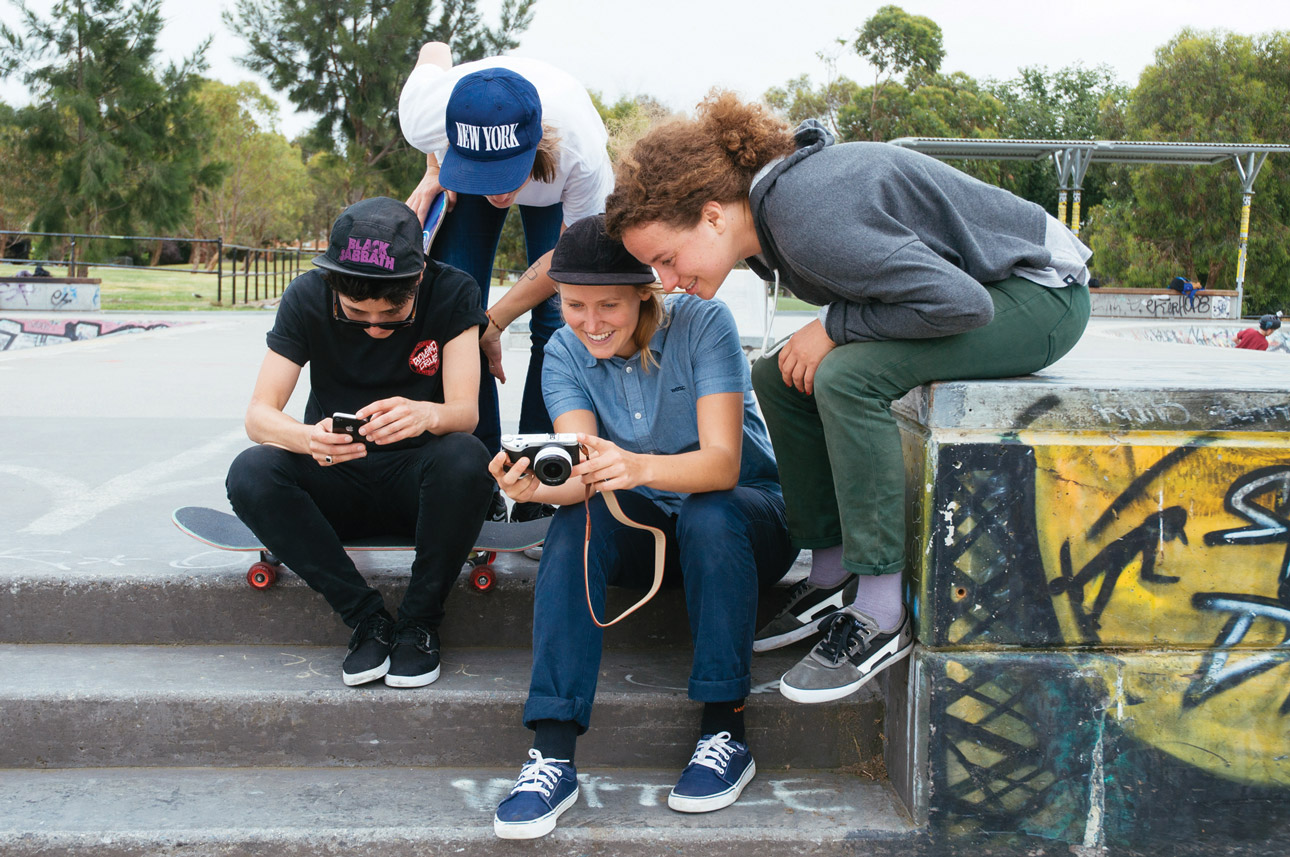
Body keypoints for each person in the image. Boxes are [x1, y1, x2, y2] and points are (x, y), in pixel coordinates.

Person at [606, 93, 1092, 705]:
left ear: (711, 215)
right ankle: (832, 575)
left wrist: (834, 327)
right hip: (992, 289)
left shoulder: (804, 218)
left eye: (666, 260)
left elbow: (963, 304)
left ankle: (882, 611)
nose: (668, 284)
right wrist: (830, 329)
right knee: (777, 374)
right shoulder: (770, 220)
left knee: (845, 377)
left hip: (1040, 295)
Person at [487, 215, 797, 839]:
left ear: (647, 294)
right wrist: (534, 488)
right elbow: (584, 471)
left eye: (609, 305)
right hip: (647, 525)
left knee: (712, 511)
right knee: (575, 523)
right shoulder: (563, 350)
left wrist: (635, 466)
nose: (591, 322)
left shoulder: (704, 324)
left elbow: (722, 463)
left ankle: (724, 730)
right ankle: (552, 753)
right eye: (575, 305)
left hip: (745, 522)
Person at [225, 197, 493, 689]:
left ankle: (418, 623)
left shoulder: (454, 290)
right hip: (334, 483)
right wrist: (306, 438)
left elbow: (466, 413)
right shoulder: (307, 295)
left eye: (392, 315)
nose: (374, 326)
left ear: (417, 279)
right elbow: (259, 415)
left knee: (466, 456)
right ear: (332, 286)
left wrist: (426, 414)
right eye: (355, 314)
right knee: (251, 471)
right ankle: (366, 618)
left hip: (420, 490)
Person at [399, 44, 614, 523]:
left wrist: (496, 320)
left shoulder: (580, 153)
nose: (497, 190)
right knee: (457, 314)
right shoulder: (424, 114)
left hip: (553, 177)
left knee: (558, 321)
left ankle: (540, 479)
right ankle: (478, 478)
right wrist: (436, 169)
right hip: (465, 155)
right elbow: (435, 49)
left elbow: (567, 264)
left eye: (506, 175)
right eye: (484, 174)